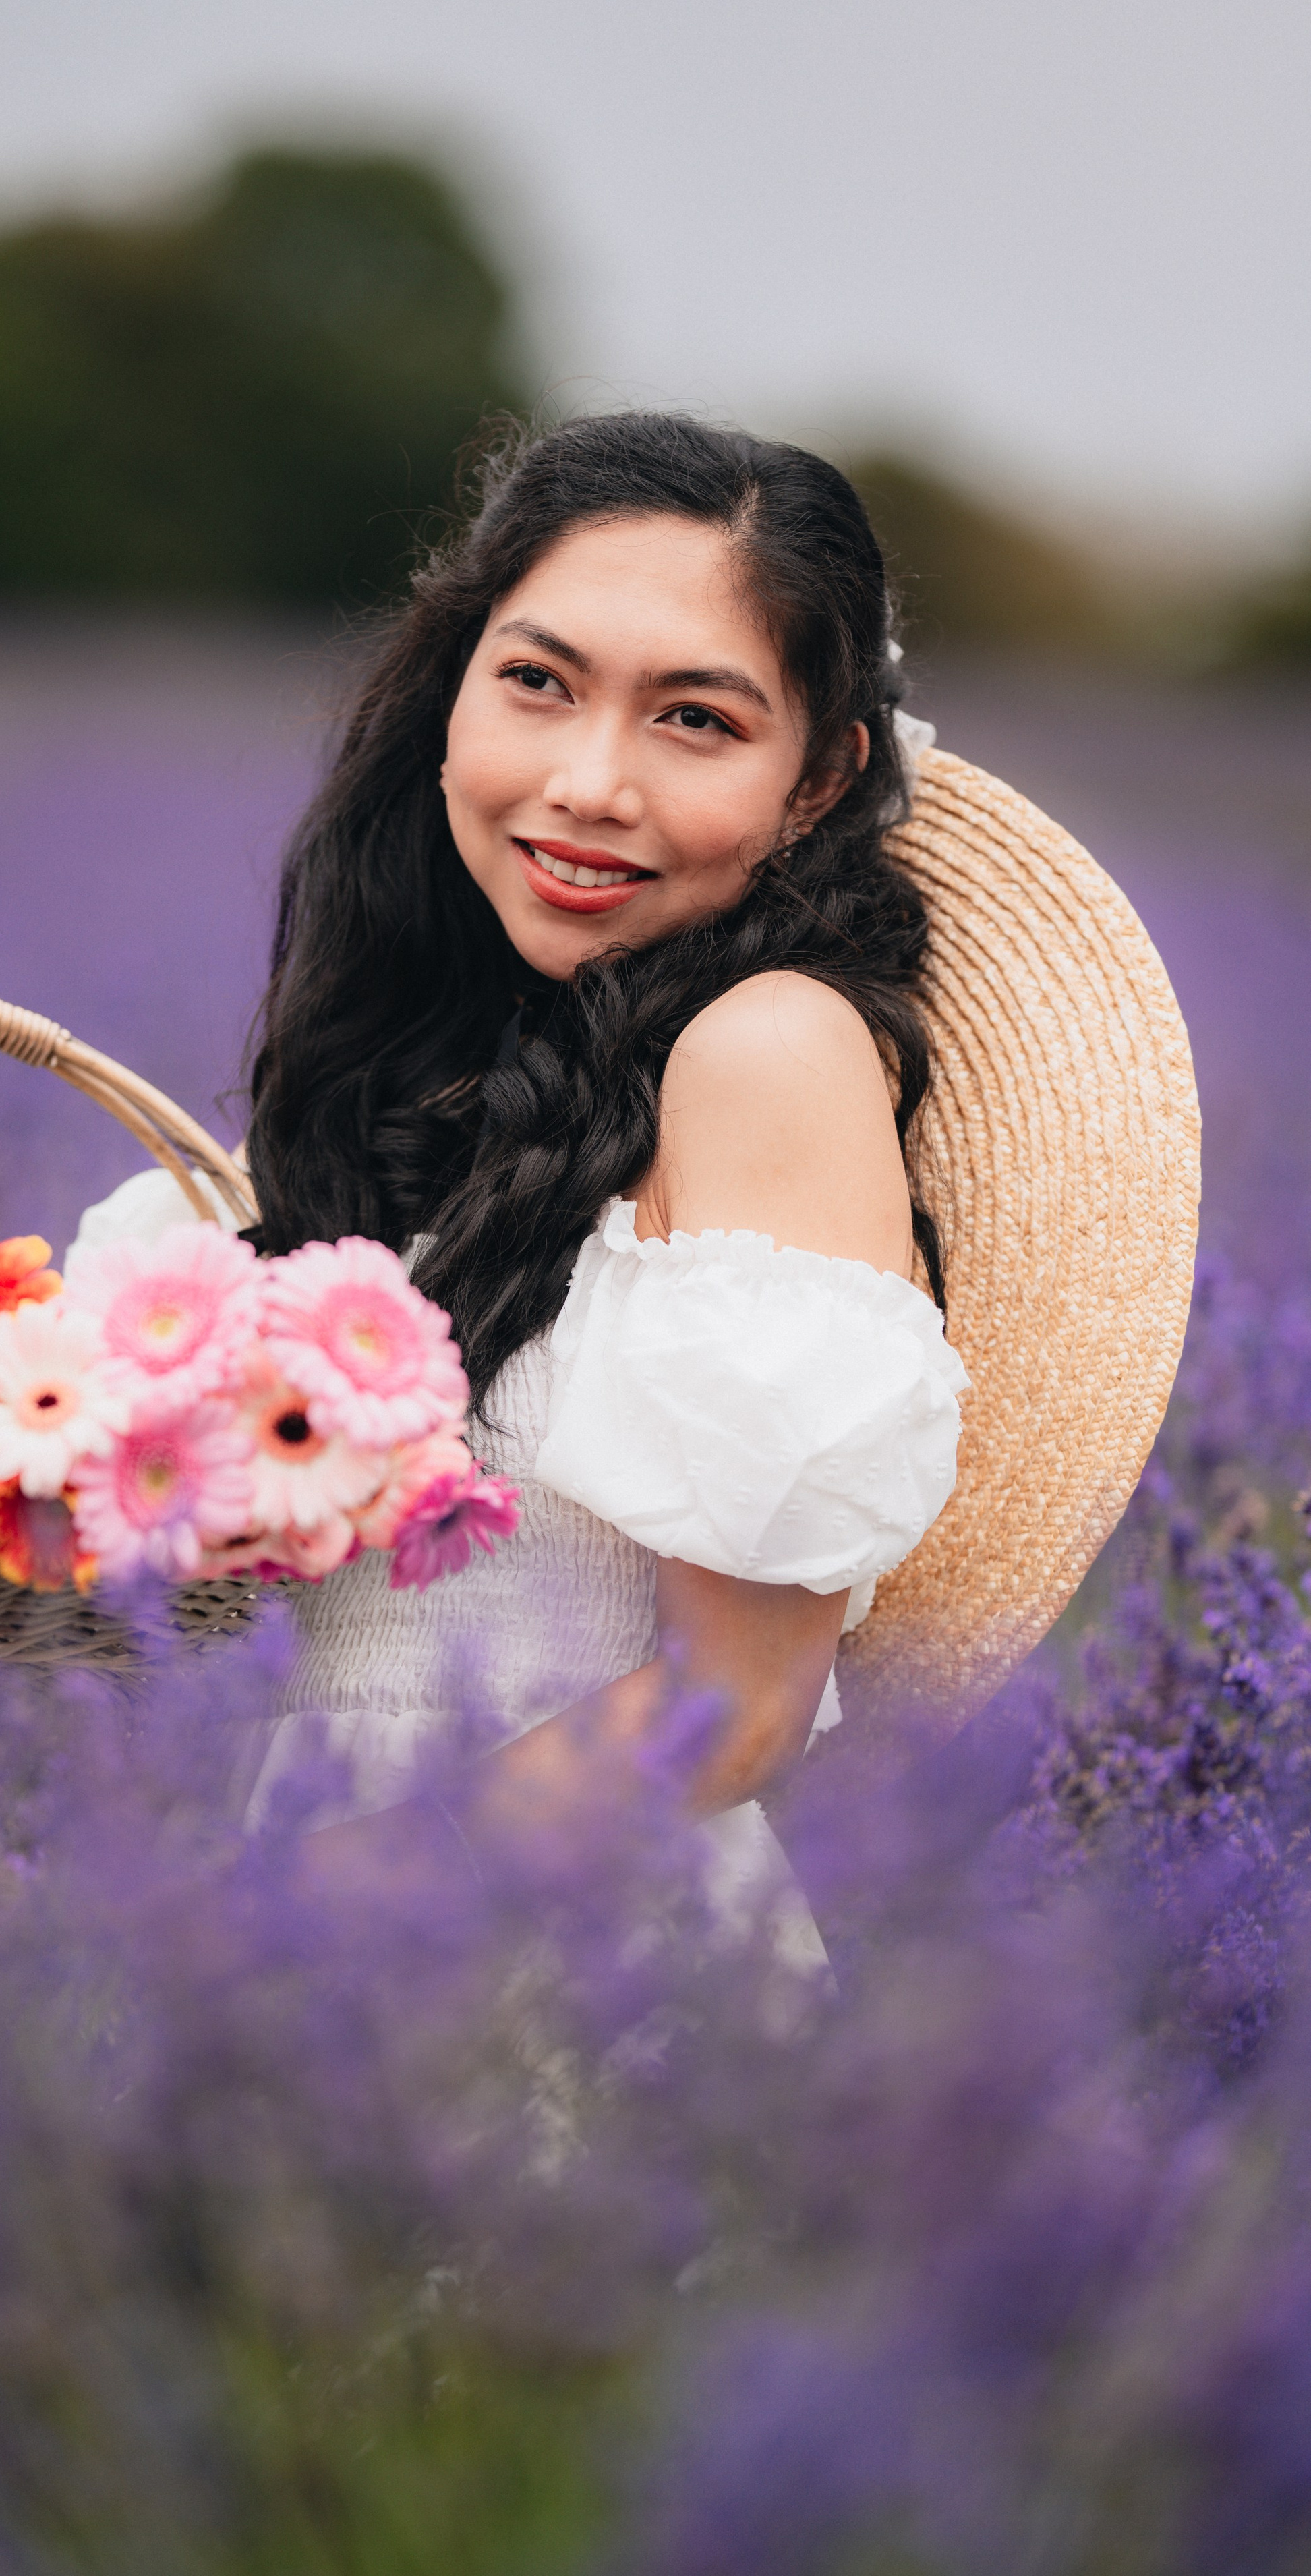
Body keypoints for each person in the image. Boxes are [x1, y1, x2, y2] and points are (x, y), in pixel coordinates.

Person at [64, 412, 969, 1940]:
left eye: (694, 720)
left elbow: (731, 1702)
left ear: (816, 782)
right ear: (452, 693)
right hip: (274, 1922)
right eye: (537, 684)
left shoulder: (762, 1049)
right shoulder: (430, 1056)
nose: (588, 783)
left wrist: (305, 1920)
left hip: (562, 1954)